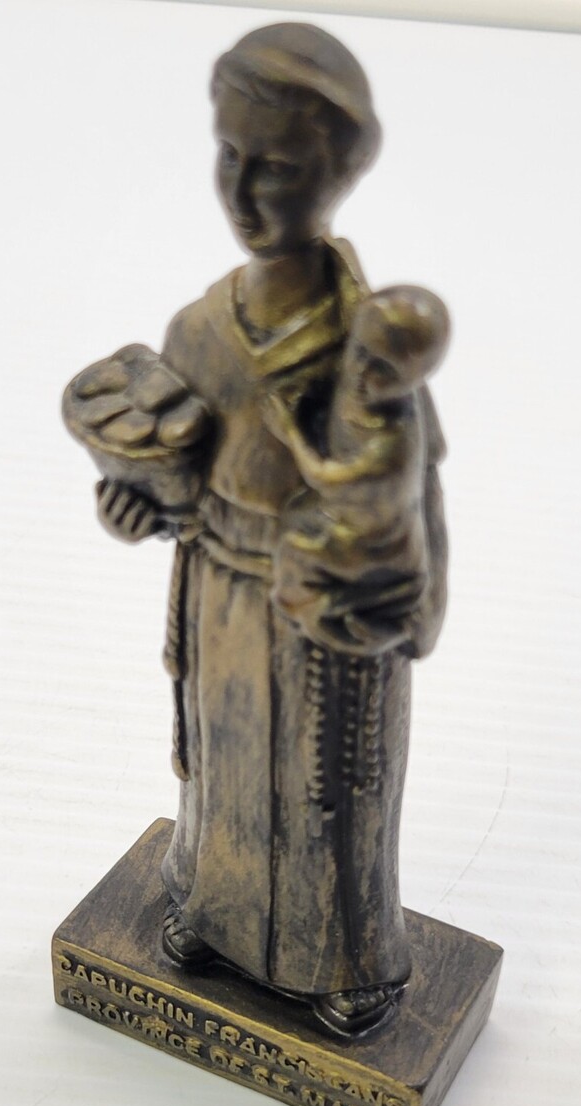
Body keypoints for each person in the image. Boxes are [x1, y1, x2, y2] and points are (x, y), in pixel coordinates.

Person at [71, 23, 449, 1035]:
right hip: (221, 595)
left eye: (275, 167)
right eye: (228, 155)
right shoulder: (200, 329)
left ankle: (345, 963)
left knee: (328, 797)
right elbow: (174, 473)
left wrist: (402, 604)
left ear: (340, 171)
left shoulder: (370, 349)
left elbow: (413, 500)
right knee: (224, 765)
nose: (242, 193)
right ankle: (210, 911)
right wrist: (135, 506)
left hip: (324, 622)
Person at [265, 285, 450, 635]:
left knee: (296, 549)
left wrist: (289, 429)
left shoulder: (392, 446)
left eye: (384, 370)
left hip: (377, 548)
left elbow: (325, 477)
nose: (361, 372)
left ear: (414, 380)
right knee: (294, 520)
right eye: (360, 351)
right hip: (347, 519)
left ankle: (310, 617)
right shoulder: (355, 387)